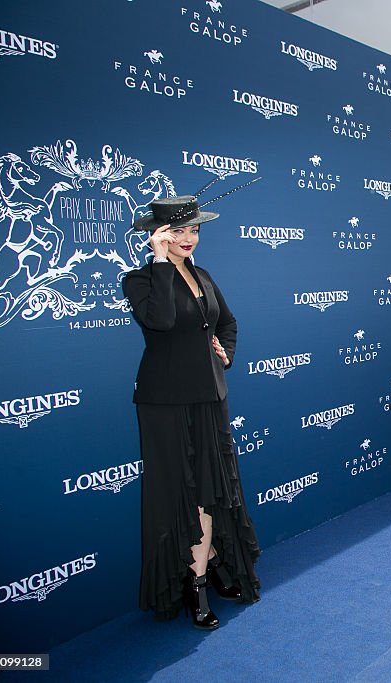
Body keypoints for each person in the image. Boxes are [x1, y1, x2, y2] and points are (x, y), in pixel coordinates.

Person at [122, 194, 261, 630]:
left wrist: (226, 353)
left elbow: (227, 323)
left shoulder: (204, 275)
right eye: (177, 231)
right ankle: (196, 581)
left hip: (209, 397)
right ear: (157, 236)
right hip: (164, 402)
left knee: (209, 489)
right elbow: (161, 321)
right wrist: (162, 263)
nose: (188, 238)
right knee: (178, 492)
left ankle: (208, 565)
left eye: (193, 230)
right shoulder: (139, 281)